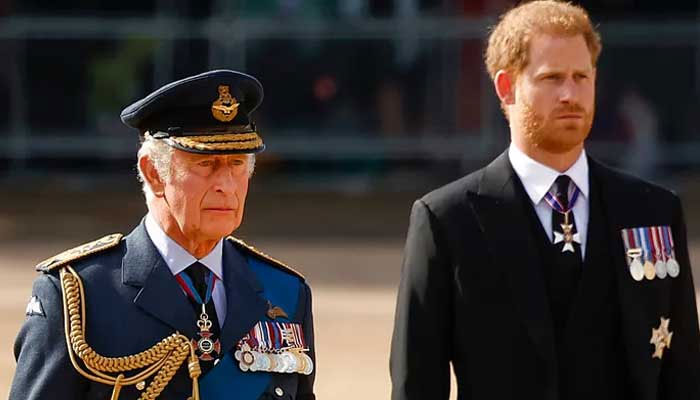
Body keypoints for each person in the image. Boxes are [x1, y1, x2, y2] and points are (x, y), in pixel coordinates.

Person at [390, 2, 700, 399]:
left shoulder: (653, 212)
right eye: (551, 78)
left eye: (581, 77)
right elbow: (416, 384)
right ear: (506, 87)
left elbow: (683, 374)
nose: (571, 94)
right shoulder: (447, 221)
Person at [10, 70, 316, 400]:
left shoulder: (285, 292)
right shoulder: (80, 295)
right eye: (206, 164)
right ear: (153, 172)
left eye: (237, 163)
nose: (225, 185)